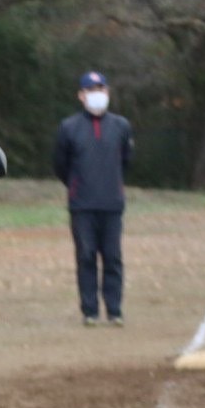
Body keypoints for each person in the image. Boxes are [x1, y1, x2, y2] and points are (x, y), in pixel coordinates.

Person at [53, 70, 134, 326]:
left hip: (112, 203)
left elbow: (127, 161)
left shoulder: (121, 126)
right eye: (91, 90)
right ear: (81, 95)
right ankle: (89, 311)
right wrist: (77, 185)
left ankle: (114, 310)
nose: (96, 94)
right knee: (86, 256)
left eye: (101, 89)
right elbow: (60, 164)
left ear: (107, 93)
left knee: (112, 257)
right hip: (82, 205)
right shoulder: (69, 127)